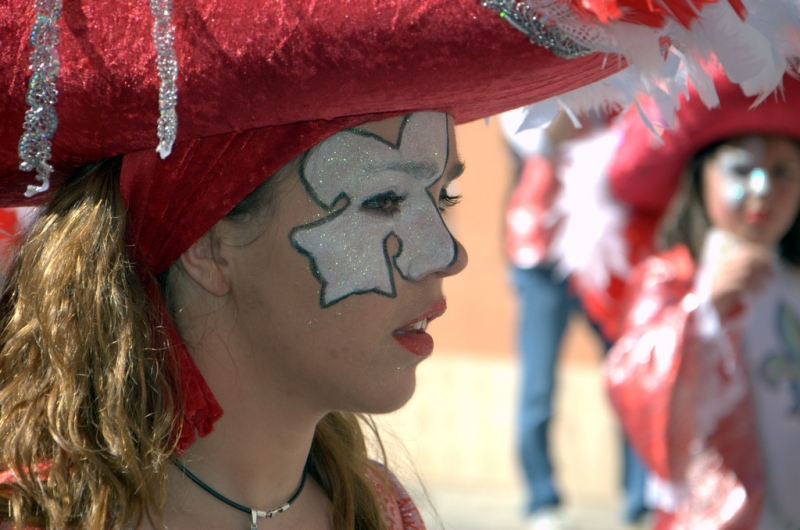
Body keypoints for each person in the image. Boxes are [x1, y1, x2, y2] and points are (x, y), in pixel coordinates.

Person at [0, 1, 795, 529]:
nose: (448, 252)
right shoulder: (40, 515)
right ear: (209, 240)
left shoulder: (378, 512)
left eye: (442, 198)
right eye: (383, 203)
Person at [603, 72, 800, 528]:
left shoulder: (793, 281)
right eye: (740, 169)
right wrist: (704, 312)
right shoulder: (668, 282)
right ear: (700, 177)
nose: (761, 189)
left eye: (783, 171)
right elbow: (632, 384)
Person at [501, 108, 650, 529]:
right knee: (538, 387)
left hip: (604, 256)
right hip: (540, 260)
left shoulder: (623, 91)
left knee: (629, 381)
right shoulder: (529, 93)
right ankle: (541, 501)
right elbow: (539, 143)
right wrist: (574, 96)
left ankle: (640, 500)